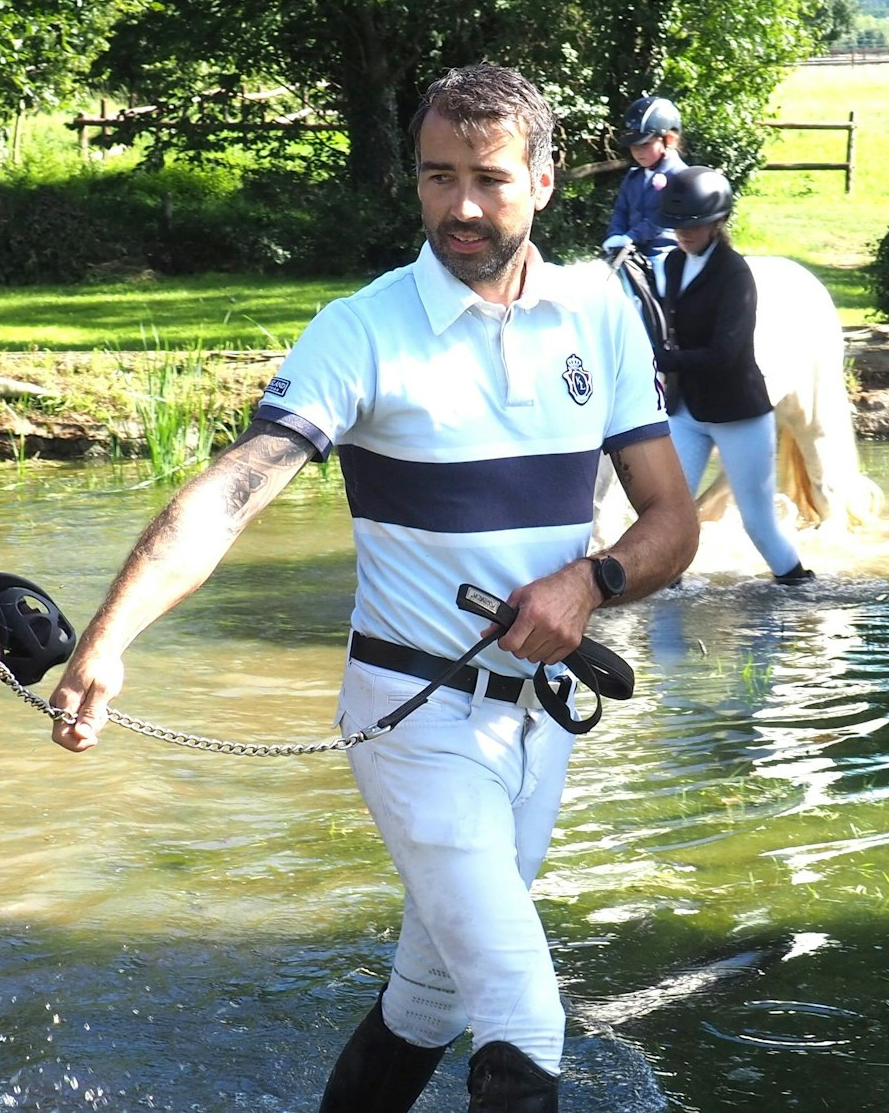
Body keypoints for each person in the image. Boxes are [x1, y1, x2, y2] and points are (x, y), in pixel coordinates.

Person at [47, 65, 700, 1112]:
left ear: (545, 176)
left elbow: (674, 520)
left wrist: (590, 578)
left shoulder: (601, 315)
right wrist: (111, 635)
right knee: (525, 1017)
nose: (462, 207)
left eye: (488, 179)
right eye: (438, 178)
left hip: (539, 725)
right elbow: (231, 493)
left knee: (432, 996)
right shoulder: (363, 329)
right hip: (414, 719)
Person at [651, 165, 815, 585]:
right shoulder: (671, 263)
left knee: (757, 522)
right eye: (678, 226)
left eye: (695, 225)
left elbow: (725, 354)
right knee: (667, 511)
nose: (684, 234)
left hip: (737, 411)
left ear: (718, 222)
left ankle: (798, 586)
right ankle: (670, 588)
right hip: (686, 409)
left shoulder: (735, 275)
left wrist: (661, 360)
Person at [603, 95, 687, 259]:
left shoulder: (680, 176)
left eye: (645, 144)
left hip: (663, 253)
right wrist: (615, 235)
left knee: (664, 279)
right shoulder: (633, 177)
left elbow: (661, 218)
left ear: (669, 140)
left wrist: (630, 237)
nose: (638, 152)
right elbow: (621, 211)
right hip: (629, 250)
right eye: (634, 146)